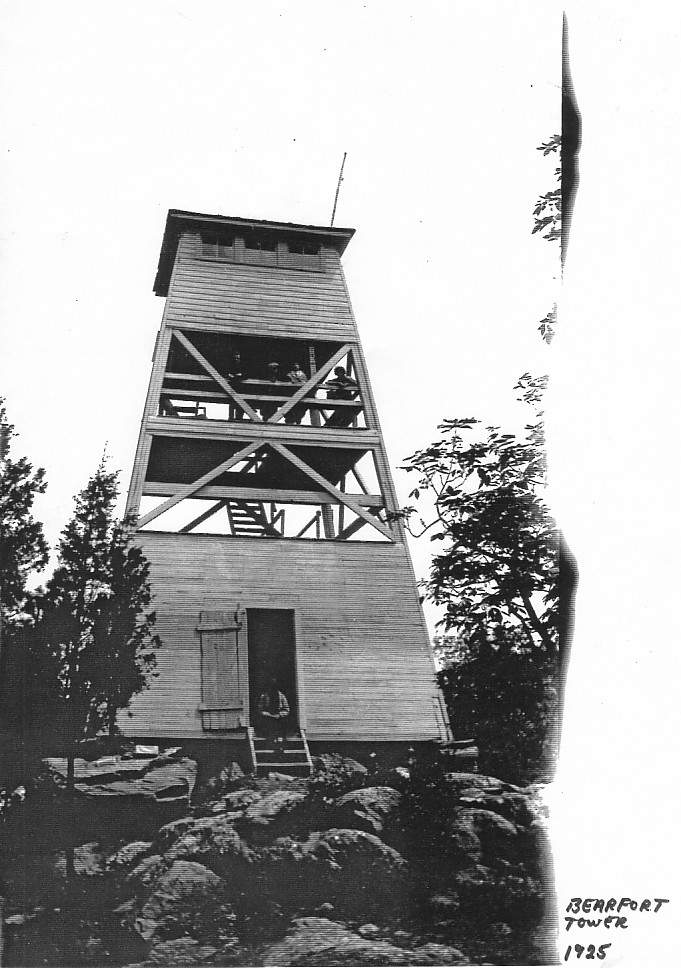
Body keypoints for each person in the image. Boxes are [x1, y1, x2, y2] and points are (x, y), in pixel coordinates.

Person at [257, 679, 290, 752]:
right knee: (271, 725)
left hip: (278, 716)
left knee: (281, 724)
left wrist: (280, 714)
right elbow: (260, 709)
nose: (272, 689)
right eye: (271, 687)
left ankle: (280, 743)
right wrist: (267, 714)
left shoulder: (281, 696)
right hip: (268, 717)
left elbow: (286, 709)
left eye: (274, 687)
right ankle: (274, 742)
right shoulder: (264, 696)